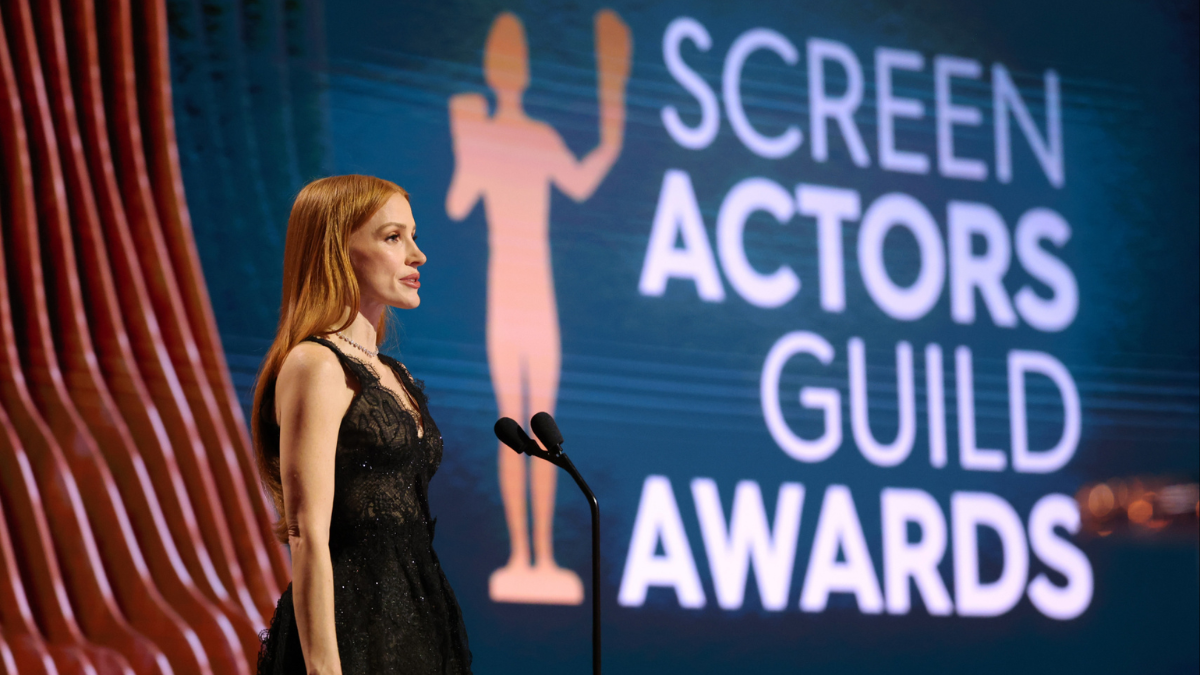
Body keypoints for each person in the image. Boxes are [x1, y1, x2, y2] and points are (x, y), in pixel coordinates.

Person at [446, 9, 631, 605]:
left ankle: (544, 557)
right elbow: (456, 202)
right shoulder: (484, 132)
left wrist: (614, 109)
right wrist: (464, 139)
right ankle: (520, 555)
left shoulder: (540, 137)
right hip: (504, 294)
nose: (509, 69)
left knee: (548, 433)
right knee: (512, 422)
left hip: (539, 296)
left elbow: (582, 179)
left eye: (515, 59)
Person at [254, 175, 471, 674]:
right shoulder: (316, 364)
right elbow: (307, 531)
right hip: (348, 629)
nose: (417, 255)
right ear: (337, 248)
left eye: (414, 237)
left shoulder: (395, 375)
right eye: (393, 237)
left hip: (417, 618)